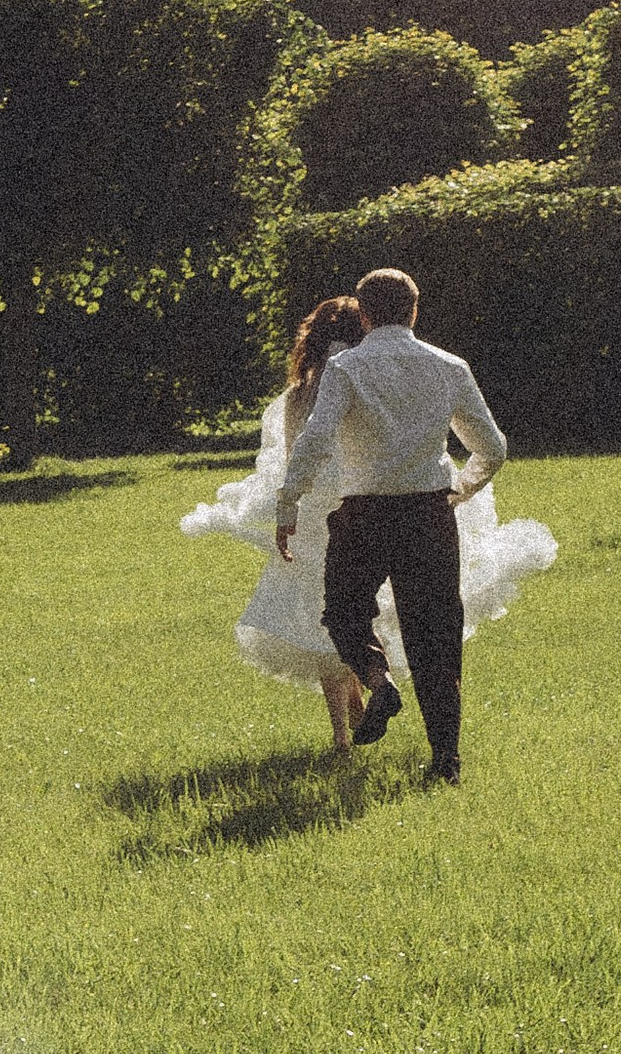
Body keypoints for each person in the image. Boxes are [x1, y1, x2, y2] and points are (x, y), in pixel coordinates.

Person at [272, 266, 539, 786]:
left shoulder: (346, 368)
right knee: (436, 638)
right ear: (415, 311)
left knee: (343, 612)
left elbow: (314, 442)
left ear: (364, 314)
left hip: (364, 514)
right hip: (428, 516)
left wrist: (289, 506)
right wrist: (457, 493)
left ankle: (377, 678)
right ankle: (446, 763)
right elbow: (493, 447)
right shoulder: (448, 366)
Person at [180, 295, 375, 746]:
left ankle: (342, 732)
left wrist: (290, 507)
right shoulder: (366, 383)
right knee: (357, 607)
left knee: (318, 616)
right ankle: (357, 698)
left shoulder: (300, 394)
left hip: (311, 510)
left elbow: (292, 458)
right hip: (357, 505)